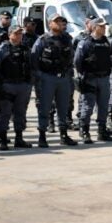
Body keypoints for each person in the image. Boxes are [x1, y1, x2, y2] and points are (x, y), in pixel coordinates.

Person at [32, 13, 77, 148]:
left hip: (63, 77)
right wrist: (39, 77)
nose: (58, 23)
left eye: (60, 21)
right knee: (44, 107)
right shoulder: (42, 40)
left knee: (63, 107)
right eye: (55, 21)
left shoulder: (67, 39)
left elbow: (71, 57)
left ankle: (63, 135)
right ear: (49, 24)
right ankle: (42, 136)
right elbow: (34, 60)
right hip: (47, 78)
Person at [74, 18, 112, 144]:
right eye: (101, 26)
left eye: (104, 26)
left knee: (103, 106)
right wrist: (84, 75)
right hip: (90, 79)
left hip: (104, 78)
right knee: (88, 106)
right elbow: (77, 61)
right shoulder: (85, 43)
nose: (104, 28)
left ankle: (102, 131)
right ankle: (84, 131)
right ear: (94, 27)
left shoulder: (106, 42)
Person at [0, 24, 34, 149]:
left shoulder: (26, 48)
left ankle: (19, 138)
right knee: (5, 113)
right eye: (16, 33)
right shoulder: (2, 49)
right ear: (9, 34)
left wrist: (29, 83)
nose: (19, 36)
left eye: (20, 33)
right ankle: (3, 140)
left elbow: (31, 65)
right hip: (7, 85)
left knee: (20, 113)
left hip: (23, 85)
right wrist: (1, 83)